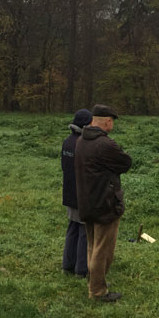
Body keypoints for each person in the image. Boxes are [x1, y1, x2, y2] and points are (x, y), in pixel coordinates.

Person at [74, 104, 133, 302]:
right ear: (108, 121)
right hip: (105, 204)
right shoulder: (106, 144)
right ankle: (98, 292)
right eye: (112, 121)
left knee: (92, 246)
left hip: (87, 202)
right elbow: (126, 163)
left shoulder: (81, 140)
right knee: (102, 249)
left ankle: (93, 283)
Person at [61, 108, 92, 278]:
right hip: (82, 194)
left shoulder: (67, 141)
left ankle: (68, 265)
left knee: (72, 228)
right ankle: (81, 269)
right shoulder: (82, 144)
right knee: (84, 230)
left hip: (69, 192)